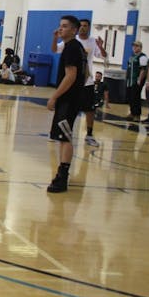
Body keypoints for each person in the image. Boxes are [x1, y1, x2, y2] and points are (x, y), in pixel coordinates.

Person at [45, 15, 86, 193]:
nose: (60, 28)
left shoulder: (72, 48)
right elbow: (85, 73)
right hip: (71, 98)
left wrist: (54, 96)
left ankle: (62, 177)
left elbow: (71, 76)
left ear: (74, 30)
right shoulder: (75, 47)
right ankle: (61, 174)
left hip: (68, 100)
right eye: (60, 25)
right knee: (63, 137)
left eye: (65, 26)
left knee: (65, 137)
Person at [51, 18, 108, 146]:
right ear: (76, 28)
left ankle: (89, 134)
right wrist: (55, 38)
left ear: (89, 27)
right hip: (73, 83)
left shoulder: (92, 41)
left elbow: (103, 56)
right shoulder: (71, 41)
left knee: (90, 109)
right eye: (81, 25)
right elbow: (55, 50)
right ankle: (59, 131)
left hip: (87, 81)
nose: (83, 27)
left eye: (85, 26)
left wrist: (101, 47)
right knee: (64, 107)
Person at [125, 41, 148, 122]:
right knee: (130, 97)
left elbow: (143, 70)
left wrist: (139, 79)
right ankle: (132, 112)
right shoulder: (132, 56)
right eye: (133, 46)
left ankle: (137, 114)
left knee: (135, 97)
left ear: (140, 47)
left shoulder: (142, 57)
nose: (134, 47)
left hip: (136, 80)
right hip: (130, 80)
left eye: (136, 46)